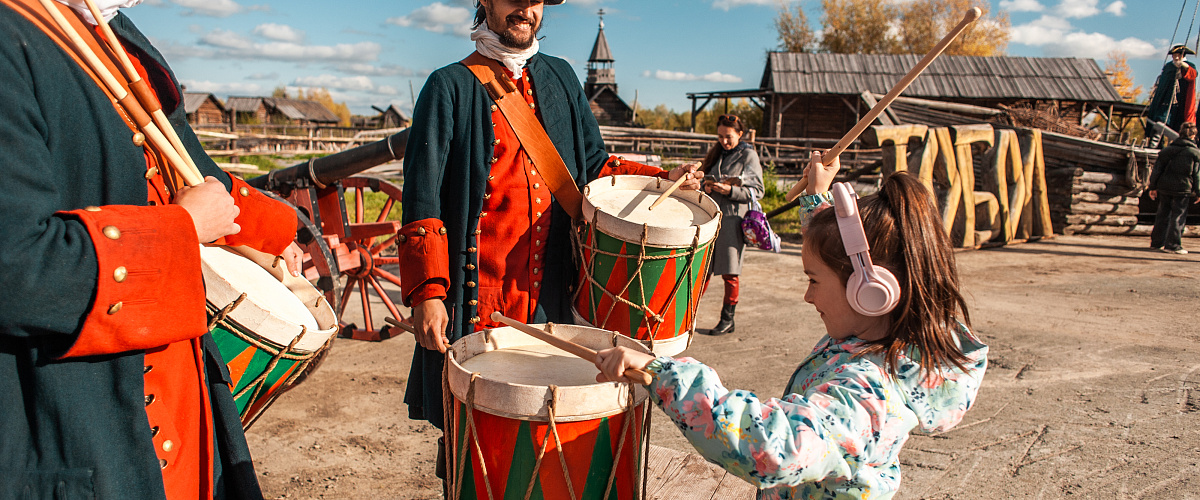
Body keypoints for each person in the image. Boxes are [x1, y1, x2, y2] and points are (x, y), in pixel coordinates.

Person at [0, 1, 301, 498]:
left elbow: (188, 167)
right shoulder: (14, 30)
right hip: (79, 421)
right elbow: (15, 266)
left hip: (182, 399)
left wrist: (273, 232)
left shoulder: (112, 27)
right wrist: (180, 230)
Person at [396, 0, 702, 475]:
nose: (526, 8)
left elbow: (596, 166)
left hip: (552, 296)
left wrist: (662, 178)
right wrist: (429, 294)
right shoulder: (448, 86)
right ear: (485, 2)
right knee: (473, 434)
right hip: (478, 297)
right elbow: (422, 199)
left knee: (551, 433)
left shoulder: (560, 77)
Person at [593, 154, 988, 499]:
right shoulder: (887, 339)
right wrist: (818, 198)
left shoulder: (866, 394)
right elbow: (841, 252)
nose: (808, 296)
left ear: (869, 292)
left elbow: (770, 449)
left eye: (813, 281)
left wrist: (662, 372)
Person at [698, 114, 764, 336]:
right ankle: (689, 315)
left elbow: (758, 191)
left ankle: (727, 319)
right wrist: (706, 186)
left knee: (730, 271)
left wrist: (731, 191)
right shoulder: (717, 153)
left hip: (733, 219)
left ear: (740, 134)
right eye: (720, 136)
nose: (724, 141)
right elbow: (704, 179)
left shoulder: (748, 155)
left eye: (728, 137)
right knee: (702, 270)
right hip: (712, 218)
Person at [1149, 122, 1200, 254]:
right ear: (1193, 135)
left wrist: (1152, 187)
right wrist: (1199, 191)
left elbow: (1157, 170)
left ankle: (1156, 243)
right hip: (1182, 188)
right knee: (1178, 216)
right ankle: (1173, 245)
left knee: (1162, 214)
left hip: (1164, 186)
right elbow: (1197, 174)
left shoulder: (1166, 150)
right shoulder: (1194, 153)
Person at [1146, 44, 1198, 147]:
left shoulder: (1189, 65)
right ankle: (1156, 145)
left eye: (1178, 55)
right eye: (1174, 55)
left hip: (1180, 102)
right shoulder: (1169, 66)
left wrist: (1183, 66)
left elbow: (1193, 75)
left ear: (1182, 55)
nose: (1175, 57)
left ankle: (1178, 147)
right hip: (1165, 100)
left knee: (1180, 125)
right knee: (1160, 119)